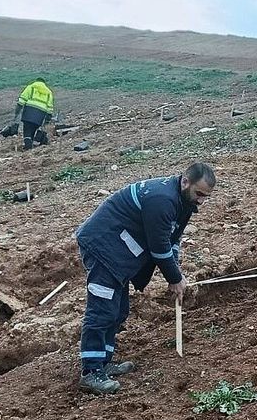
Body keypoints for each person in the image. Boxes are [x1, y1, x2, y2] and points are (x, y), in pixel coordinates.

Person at [73, 162, 215, 394]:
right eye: (199, 194)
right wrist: (175, 278)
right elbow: (159, 247)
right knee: (102, 309)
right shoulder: (162, 200)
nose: (201, 201)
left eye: (205, 197)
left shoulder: (185, 203)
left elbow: (172, 240)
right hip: (103, 247)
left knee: (118, 310)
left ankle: (103, 363)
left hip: (119, 254)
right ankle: (91, 372)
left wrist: (175, 271)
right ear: (185, 181)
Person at [14, 78, 55, 150]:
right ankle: (32, 145)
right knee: (33, 130)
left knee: (27, 131)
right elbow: (50, 108)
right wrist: (46, 121)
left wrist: (16, 113)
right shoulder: (49, 92)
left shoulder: (31, 87)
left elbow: (21, 101)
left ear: (36, 81)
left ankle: (28, 147)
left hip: (29, 112)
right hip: (40, 115)